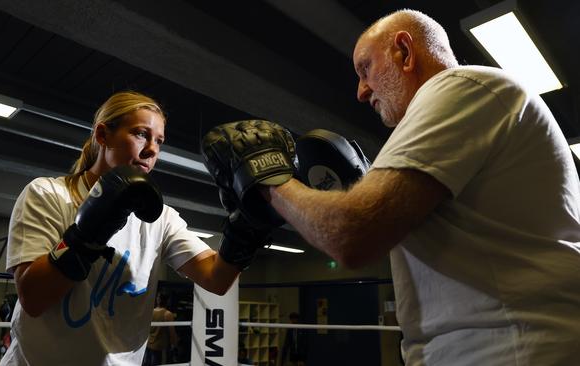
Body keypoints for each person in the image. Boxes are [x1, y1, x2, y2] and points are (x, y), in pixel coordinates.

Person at [204, 9, 580, 366]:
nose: (361, 91)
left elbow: (351, 233)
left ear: (404, 51)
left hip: (510, 348)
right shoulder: (475, 112)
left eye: (364, 69)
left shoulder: (463, 86)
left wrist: (268, 180)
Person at [1, 91, 259, 365]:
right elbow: (33, 299)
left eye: (159, 140)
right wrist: (87, 234)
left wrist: (248, 221)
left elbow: (217, 279)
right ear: (103, 135)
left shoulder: (161, 218)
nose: (152, 149)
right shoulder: (48, 195)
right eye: (140, 134)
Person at [143, 292, 177, 366]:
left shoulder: (151, 312)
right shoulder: (167, 314)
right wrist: (174, 344)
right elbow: (172, 333)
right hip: (160, 348)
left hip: (148, 345)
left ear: (157, 300)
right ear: (167, 301)